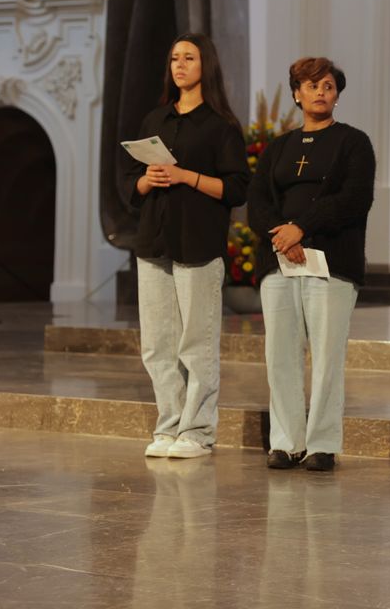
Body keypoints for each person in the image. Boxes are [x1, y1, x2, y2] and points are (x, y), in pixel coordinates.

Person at [123, 32, 249, 459]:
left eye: (189, 58)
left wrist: (185, 176)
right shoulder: (154, 121)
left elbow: (236, 189)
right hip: (154, 240)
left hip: (197, 242)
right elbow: (128, 182)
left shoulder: (220, 126)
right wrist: (147, 179)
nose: (179, 65)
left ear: (205, 66)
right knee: (157, 344)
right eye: (174, 57)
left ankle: (197, 430)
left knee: (195, 344)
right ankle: (169, 426)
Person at [248, 57, 376, 472]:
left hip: (331, 262)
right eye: (311, 85)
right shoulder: (279, 148)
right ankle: (285, 442)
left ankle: (321, 443)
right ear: (296, 94)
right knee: (280, 355)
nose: (320, 92)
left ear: (337, 94)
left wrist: (301, 228)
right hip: (280, 262)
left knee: (326, 356)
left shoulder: (353, 143)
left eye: (328, 86)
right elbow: (258, 206)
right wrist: (283, 238)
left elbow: (354, 200)